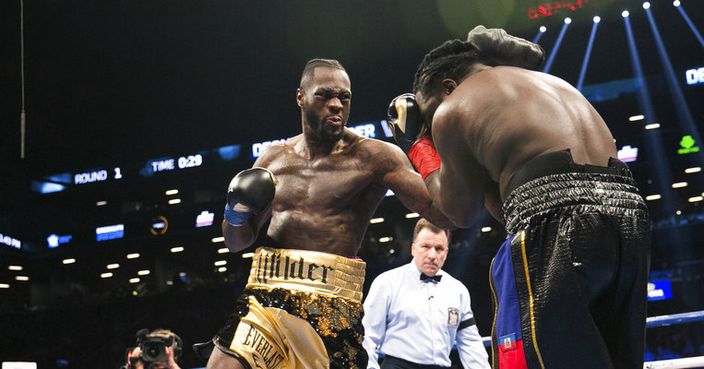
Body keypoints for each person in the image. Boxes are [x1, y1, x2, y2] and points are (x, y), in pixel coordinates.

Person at [388, 26, 650, 369]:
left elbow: (458, 212)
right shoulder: (549, 84)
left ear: (447, 88)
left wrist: (419, 143)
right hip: (629, 212)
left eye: (428, 109)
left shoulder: (453, 108)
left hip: (557, 217)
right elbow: (510, 204)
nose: (432, 119)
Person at [203, 58, 453, 369]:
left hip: (330, 306)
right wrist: (235, 213)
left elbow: (443, 212)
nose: (336, 105)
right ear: (301, 97)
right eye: (324, 95)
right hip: (265, 298)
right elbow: (236, 243)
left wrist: (420, 146)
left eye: (344, 98)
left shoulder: (374, 157)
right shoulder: (273, 159)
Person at [362, 218, 490, 369]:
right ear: (413, 249)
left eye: (439, 248)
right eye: (426, 246)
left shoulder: (458, 290)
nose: (432, 255)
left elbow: (471, 343)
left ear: (446, 252)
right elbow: (367, 337)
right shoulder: (387, 283)